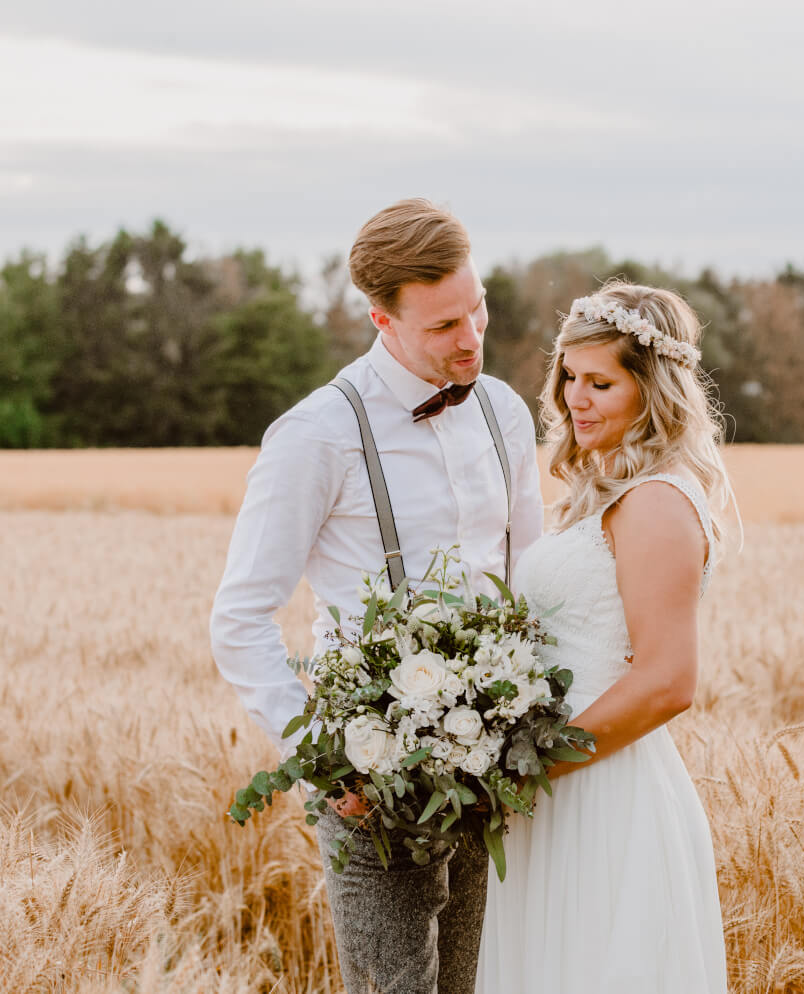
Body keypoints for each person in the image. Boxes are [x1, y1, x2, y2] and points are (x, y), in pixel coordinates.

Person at [209, 198, 544, 994]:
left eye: (477, 310)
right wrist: (326, 762)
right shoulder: (317, 433)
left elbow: (530, 581)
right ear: (380, 319)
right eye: (441, 327)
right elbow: (240, 616)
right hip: (373, 784)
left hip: (493, 771)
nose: (470, 339)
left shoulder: (504, 410)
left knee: (474, 984)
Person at [477, 282, 735, 993]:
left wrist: (527, 769)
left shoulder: (655, 503)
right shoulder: (608, 494)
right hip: (553, 793)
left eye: (600, 382)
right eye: (568, 377)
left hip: (602, 795)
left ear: (651, 390)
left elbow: (667, 682)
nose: (575, 399)